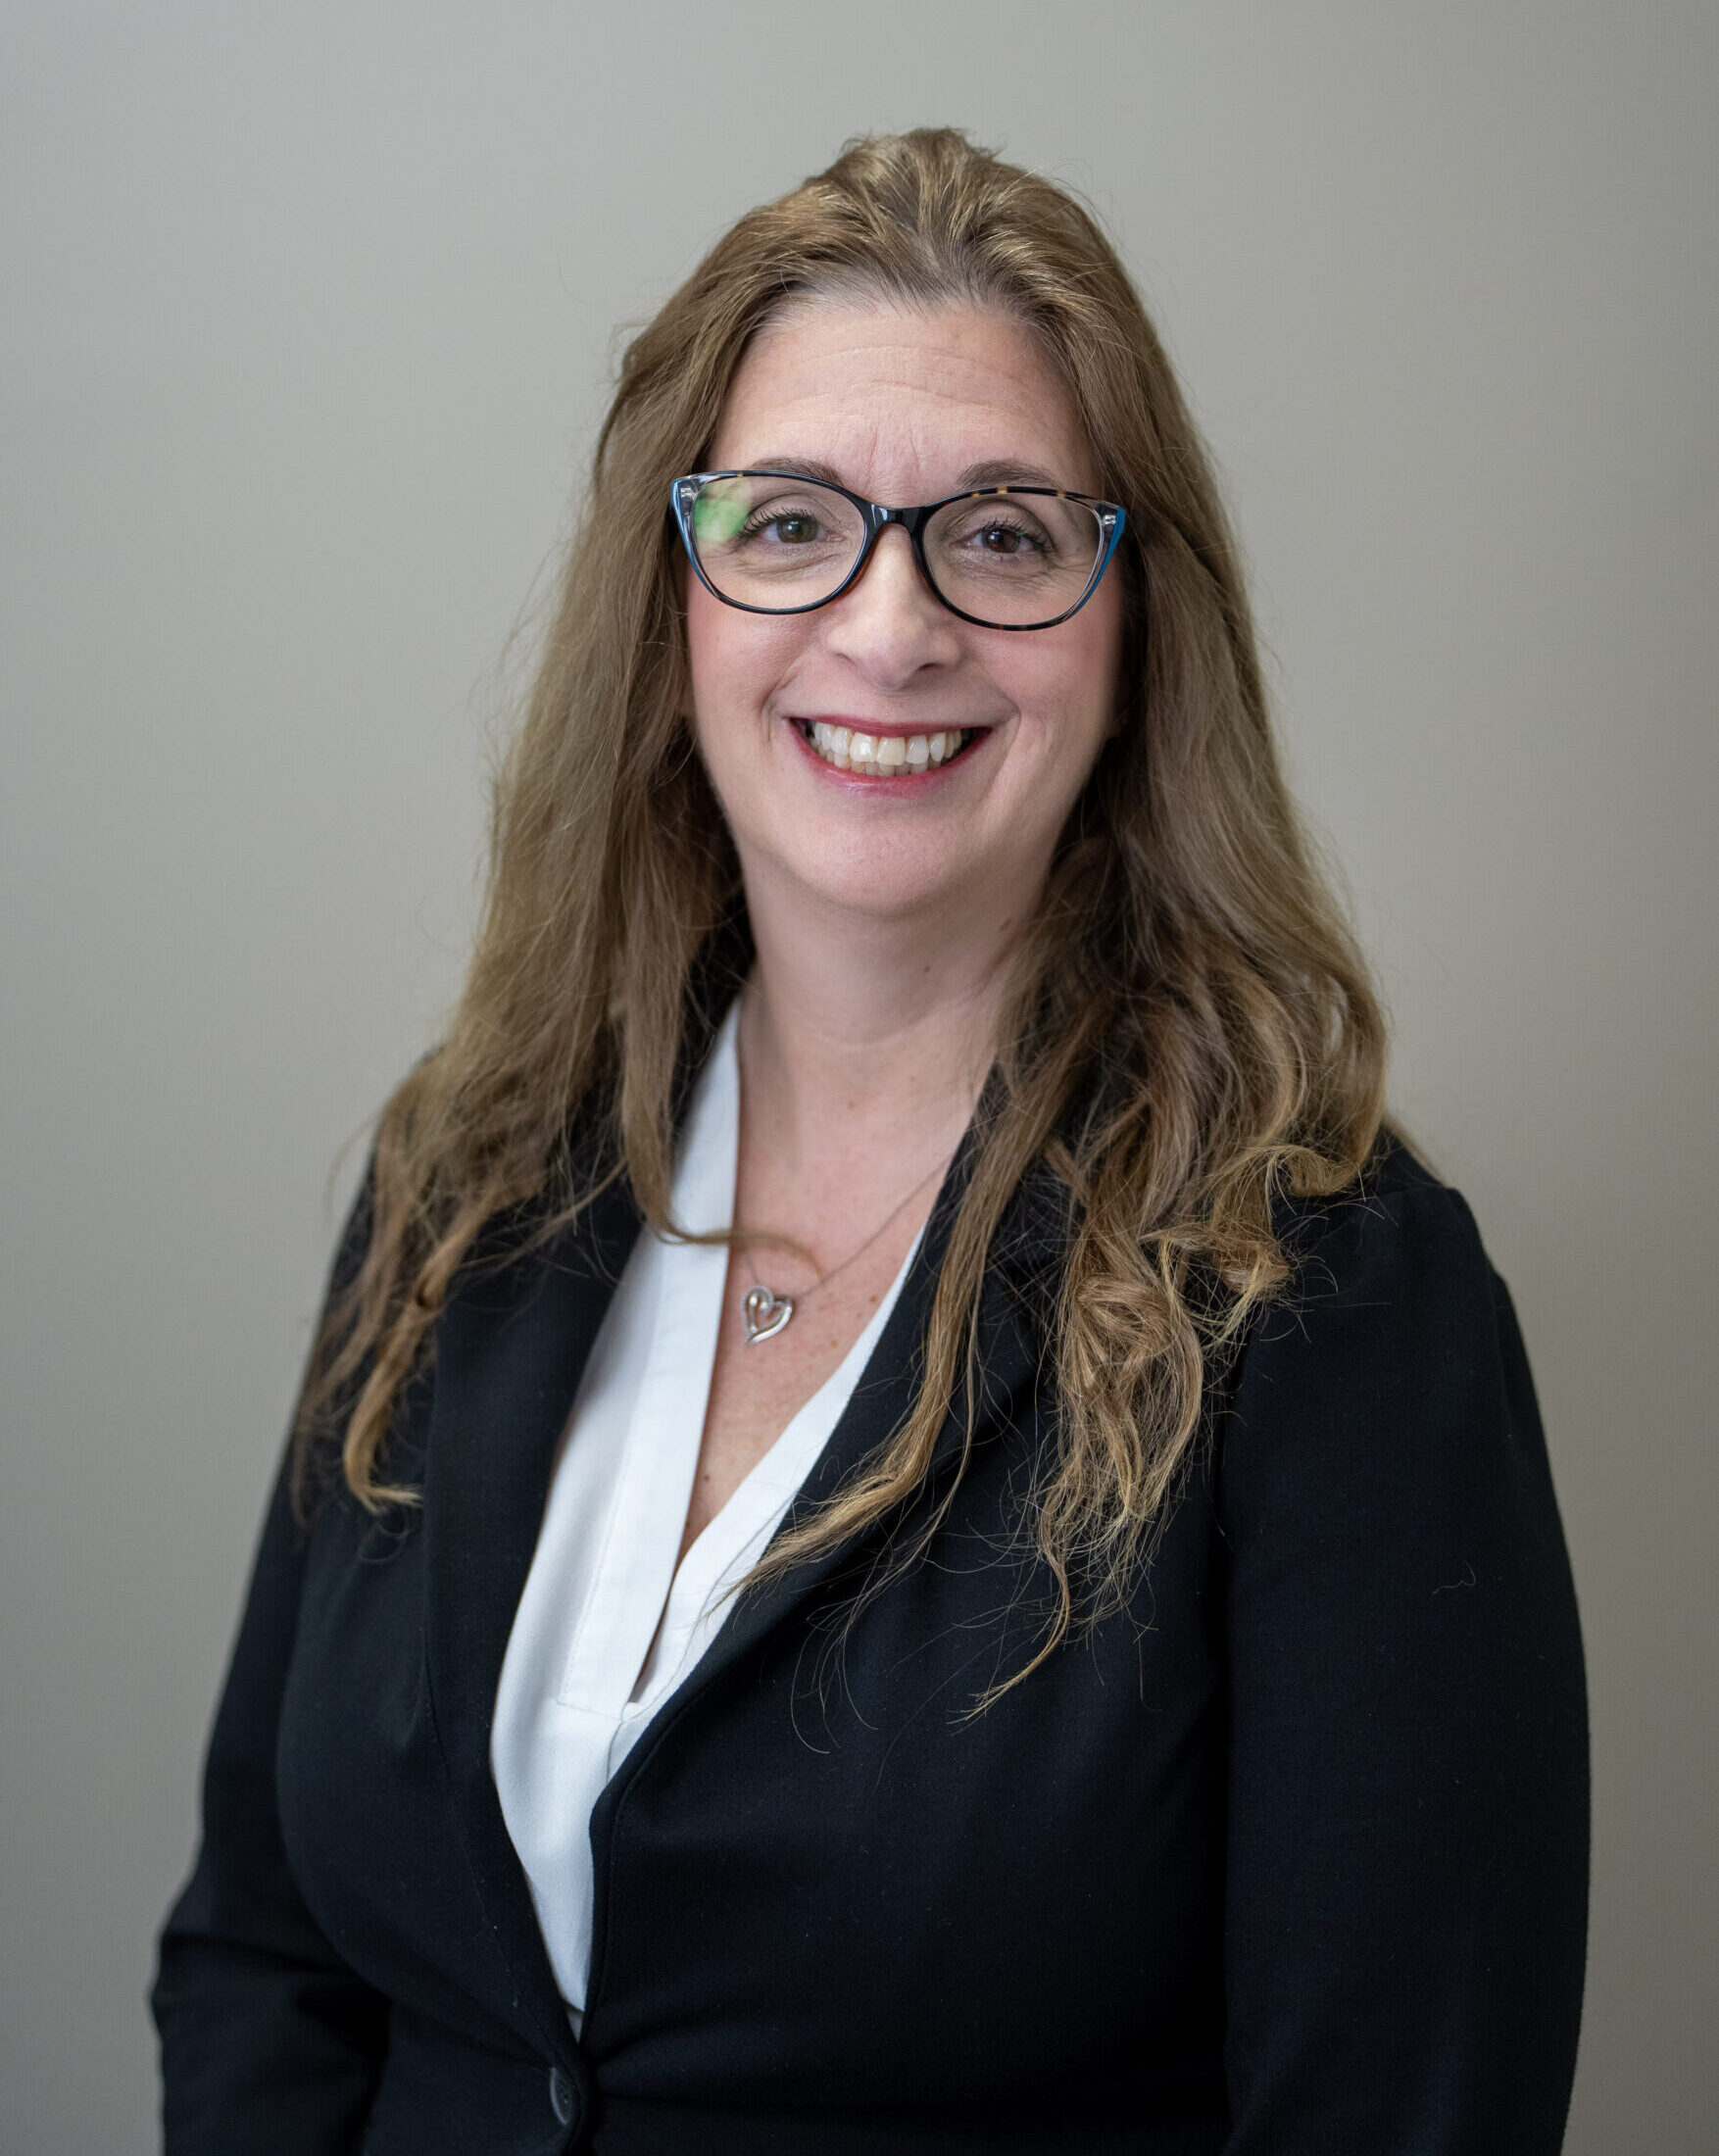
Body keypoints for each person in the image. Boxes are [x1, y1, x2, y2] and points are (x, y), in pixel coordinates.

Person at [152, 130, 1589, 2155]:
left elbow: (1396, 2108)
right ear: (676, 603)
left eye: (1000, 534)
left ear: (1130, 623)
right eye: (790, 522)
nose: (890, 625)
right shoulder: (465, 1177)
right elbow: (263, 1948)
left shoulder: (1333, 1295)